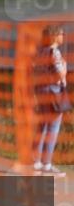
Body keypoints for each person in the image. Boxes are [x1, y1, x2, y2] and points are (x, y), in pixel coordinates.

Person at [33, 24, 70, 176]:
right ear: (55, 36)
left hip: (41, 90)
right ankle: (47, 164)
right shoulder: (54, 52)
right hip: (54, 92)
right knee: (53, 128)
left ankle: (36, 162)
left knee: (42, 126)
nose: (63, 36)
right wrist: (65, 69)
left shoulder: (40, 52)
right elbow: (59, 74)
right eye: (61, 34)